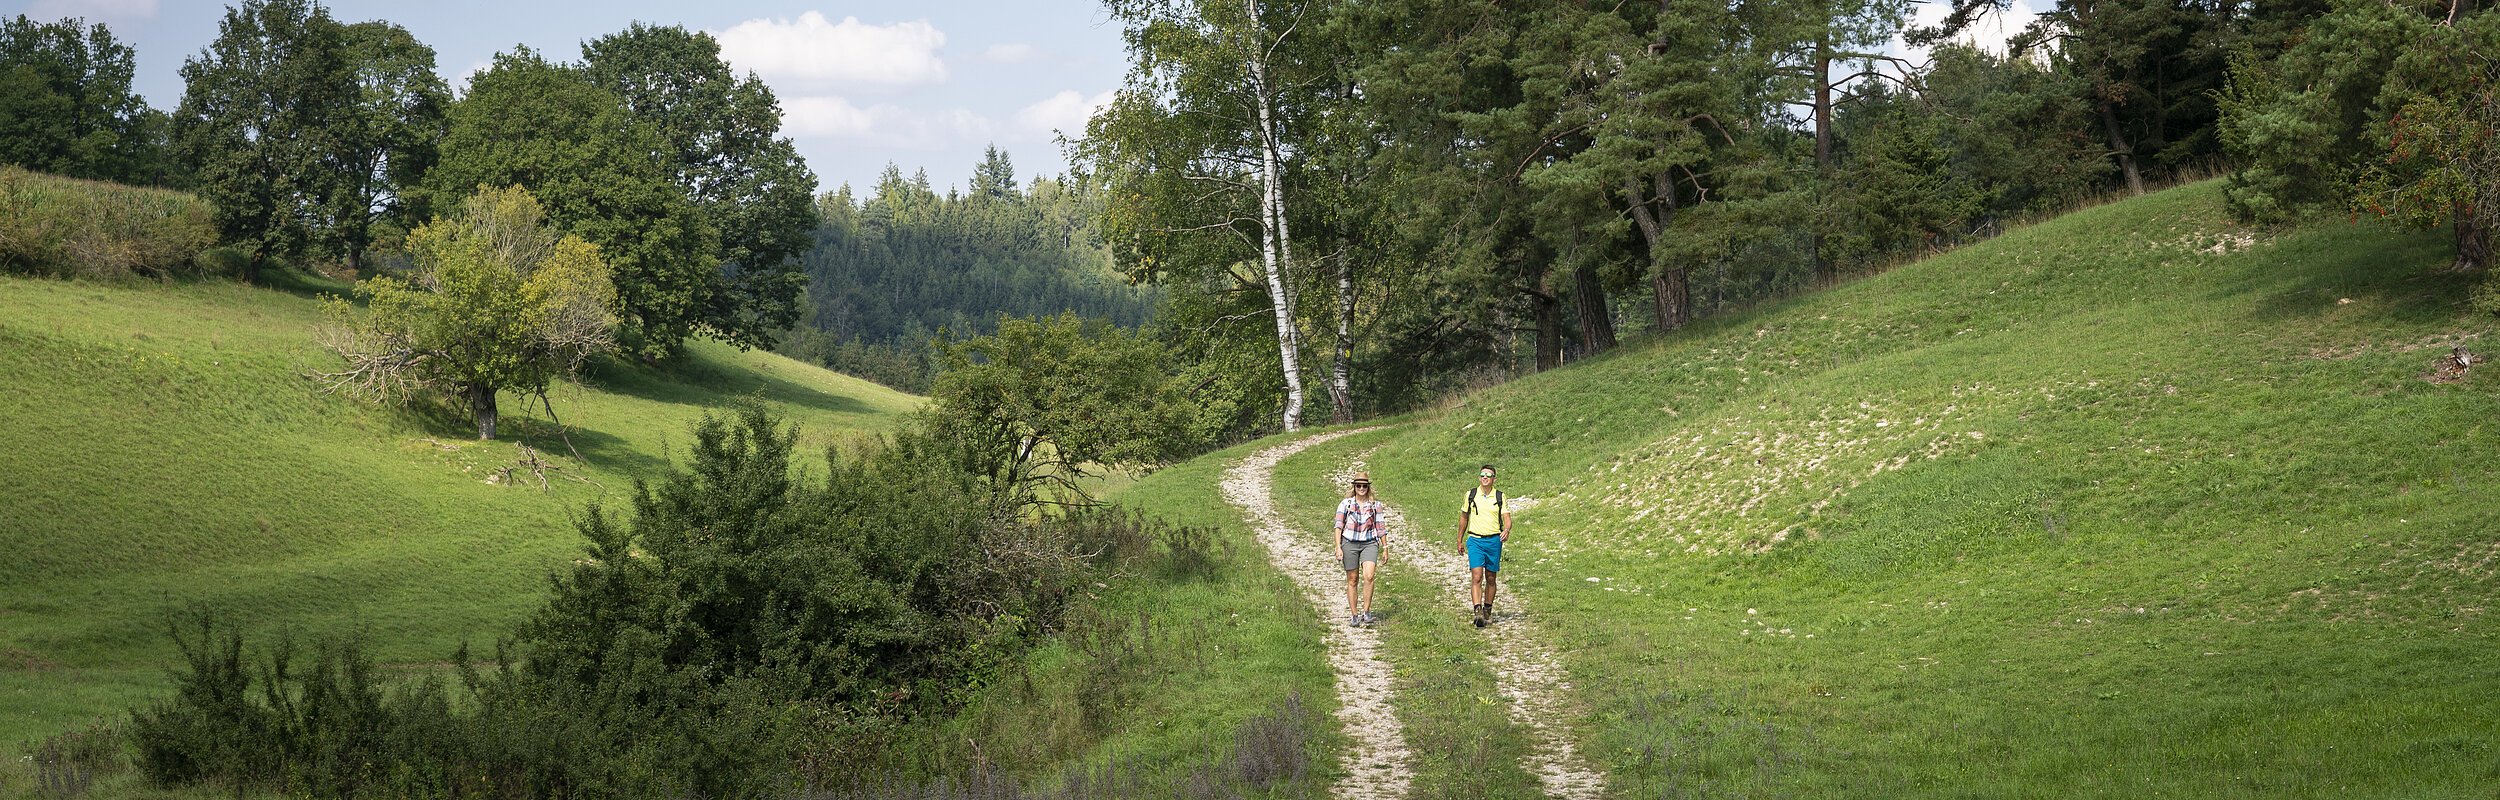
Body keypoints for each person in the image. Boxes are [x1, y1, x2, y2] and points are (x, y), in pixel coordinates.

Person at [1455, 463, 1510, 628]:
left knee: (1491, 577)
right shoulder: (1471, 495)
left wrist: (1506, 529)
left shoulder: (1500, 496)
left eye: (1488, 475)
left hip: (1493, 541)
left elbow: (1506, 517)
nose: (1485, 477)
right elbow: (1464, 517)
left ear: (1494, 479)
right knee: (1476, 576)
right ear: (1479, 477)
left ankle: (1487, 610)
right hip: (1475, 540)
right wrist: (1459, 539)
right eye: (1482, 475)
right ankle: (1477, 611)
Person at [1335, 472, 1387, 627]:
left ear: (1368, 487)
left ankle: (1366, 611)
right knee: (1352, 579)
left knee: (1369, 576)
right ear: (1354, 487)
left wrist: (1385, 548)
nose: (1362, 488)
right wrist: (1338, 547)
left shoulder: (1375, 505)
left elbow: (1381, 527)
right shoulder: (1345, 504)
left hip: (1369, 543)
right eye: (1359, 485)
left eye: (1365, 485)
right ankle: (1354, 614)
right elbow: (1338, 526)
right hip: (1349, 542)